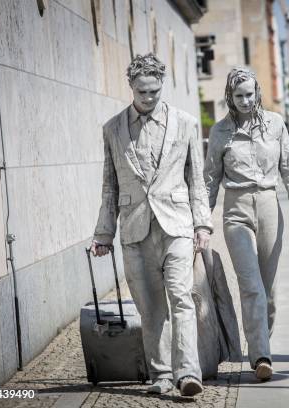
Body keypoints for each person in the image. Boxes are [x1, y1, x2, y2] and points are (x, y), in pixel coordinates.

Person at [91, 53, 211, 397]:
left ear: (162, 86)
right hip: (133, 229)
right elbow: (109, 185)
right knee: (150, 307)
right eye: (143, 92)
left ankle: (189, 373)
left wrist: (202, 224)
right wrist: (103, 234)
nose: (149, 98)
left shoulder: (186, 123)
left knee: (182, 298)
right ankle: (161, 374)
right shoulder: (112, 129)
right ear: (131, 87)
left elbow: (196, 180)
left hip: (176, 226)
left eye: (155, 92)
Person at [204, 68, 289, 381]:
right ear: (229, 98)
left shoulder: (275, 124)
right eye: (239, 96)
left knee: (269, 293)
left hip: (269, 208)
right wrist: (200, 222)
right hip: (236, 211)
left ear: (257, 92)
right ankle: (261, 355)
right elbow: (210, 179)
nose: (245, 101)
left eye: (250, 94)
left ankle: (261, 342)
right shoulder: (220, 132)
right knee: (251, 287)